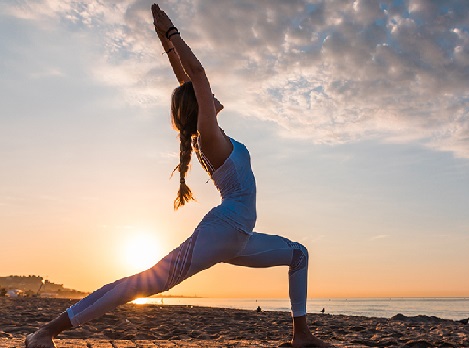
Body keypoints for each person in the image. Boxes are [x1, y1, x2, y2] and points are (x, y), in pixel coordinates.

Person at [25, 4, 329, 348]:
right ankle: (45, 332)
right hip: (223, 230)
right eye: (206, 94)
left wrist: (165, 44)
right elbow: (196, 76)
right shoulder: (209, 137)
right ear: (200, 107)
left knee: (298, 254)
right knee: (141, 283)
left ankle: (301, 334)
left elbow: (186, 80)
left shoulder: (211, 134)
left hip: (241, 237)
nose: (213, 93)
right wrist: (173, 32)